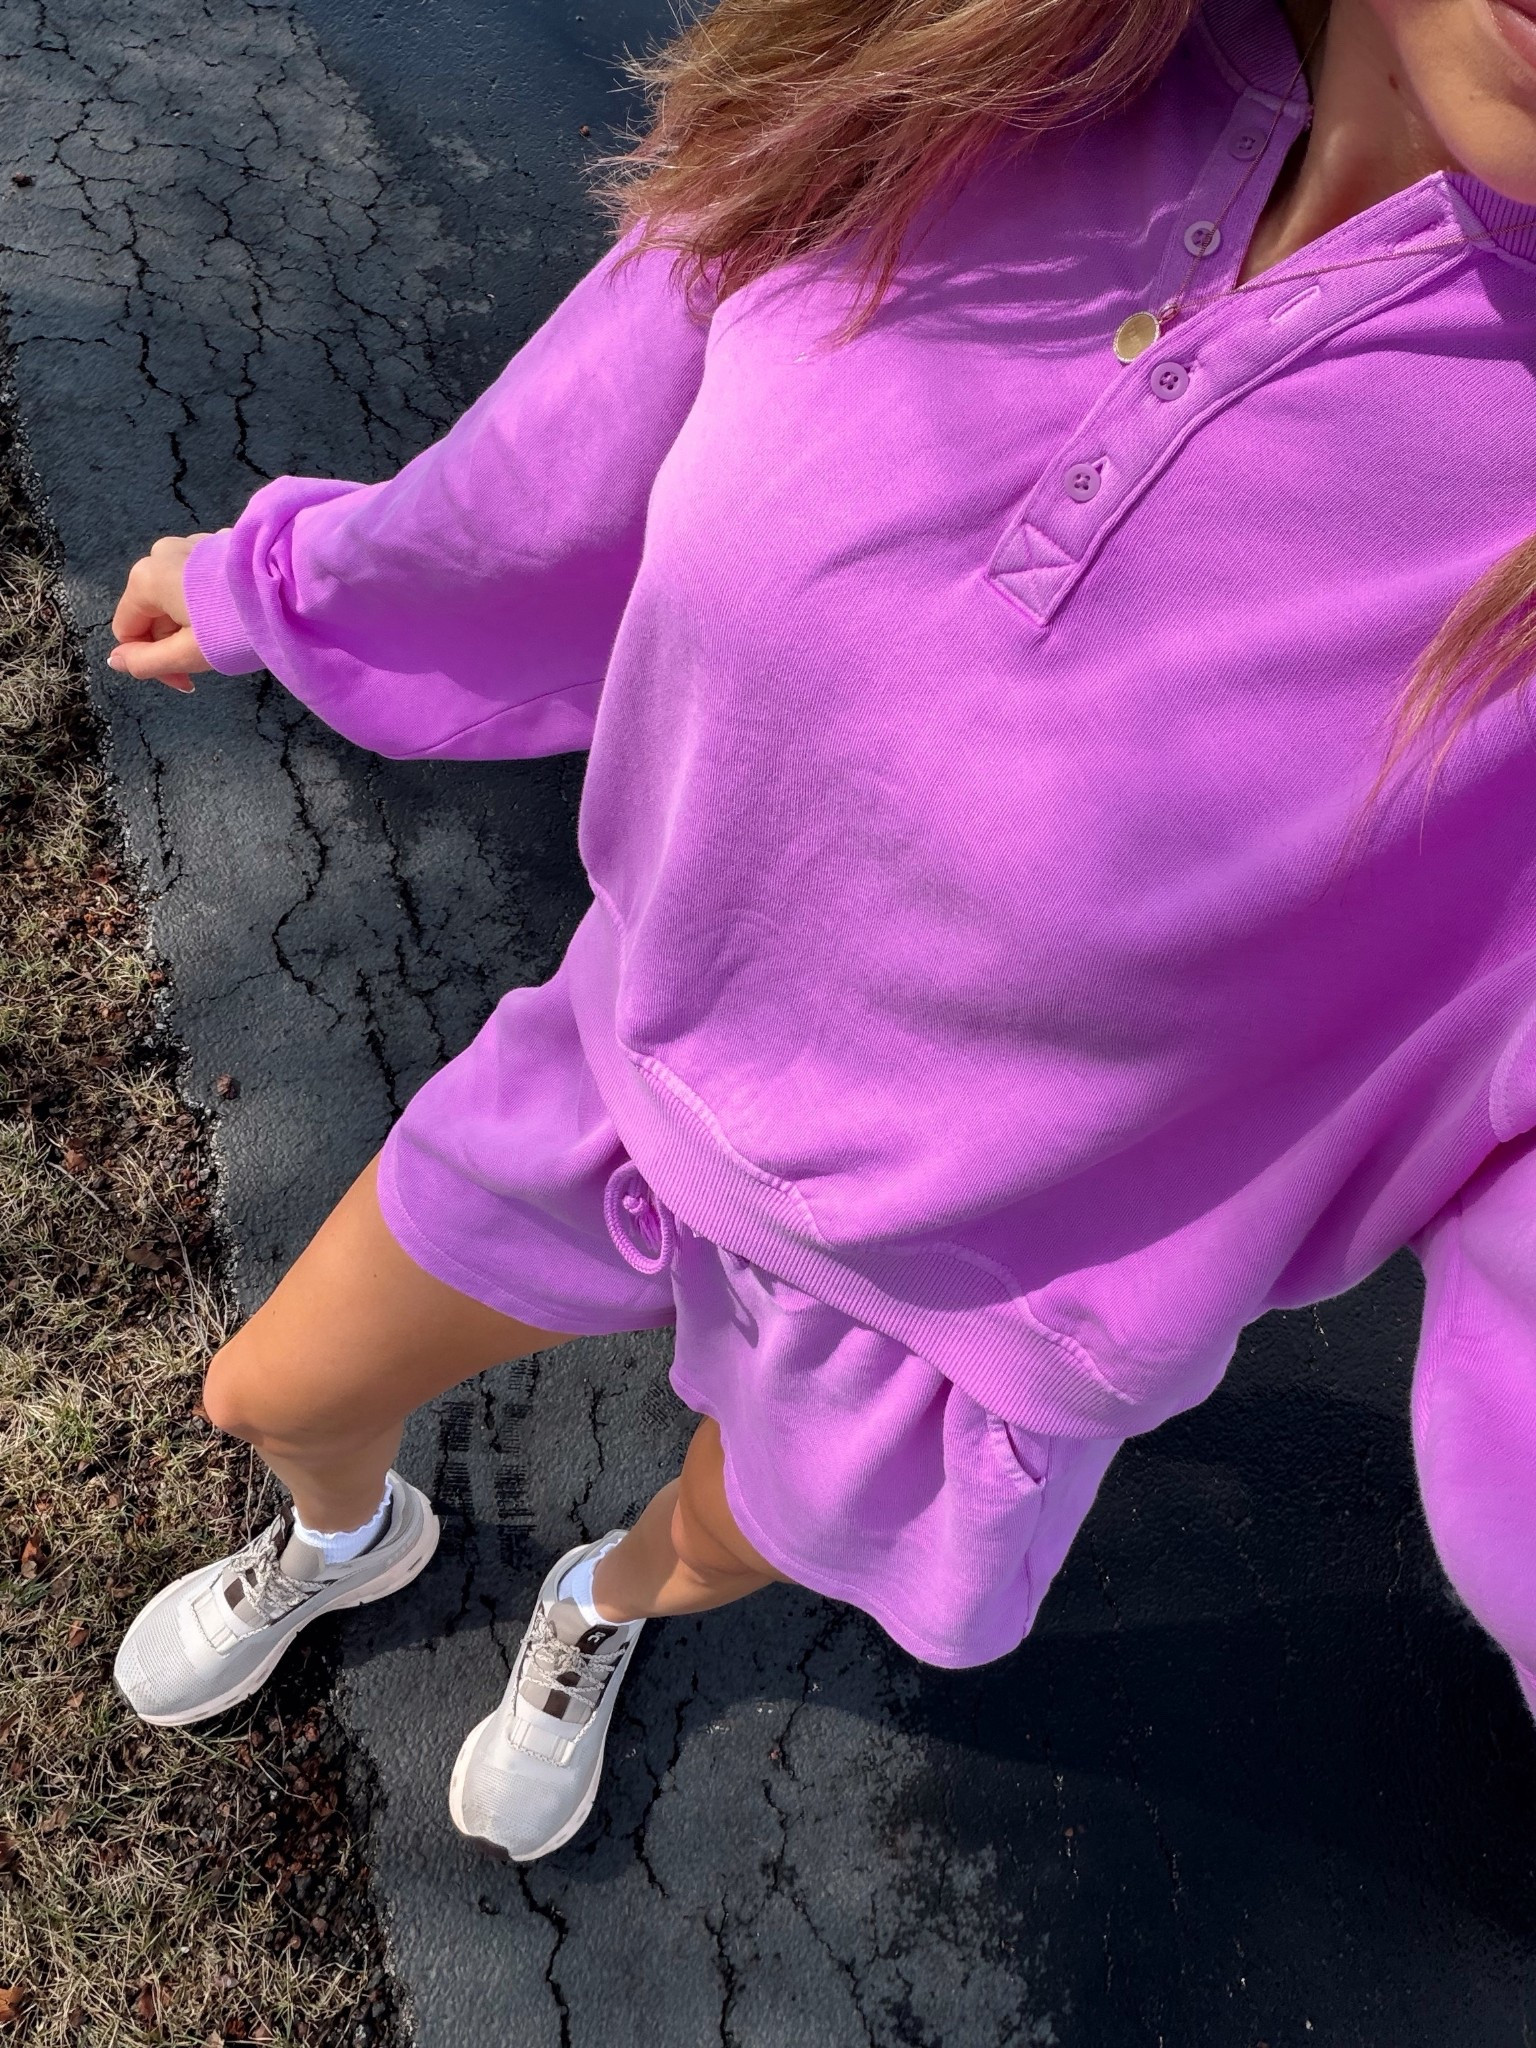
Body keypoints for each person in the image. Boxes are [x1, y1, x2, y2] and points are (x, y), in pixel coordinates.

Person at [106, 0, 1536, 1862]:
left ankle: (598, 1605)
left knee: (719, 1535)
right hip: (625, 1066)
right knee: (274, 1388)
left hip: (955, 1326)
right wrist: (279, 589)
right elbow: (563, 469)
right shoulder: (957, 72)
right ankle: (346, 1535)